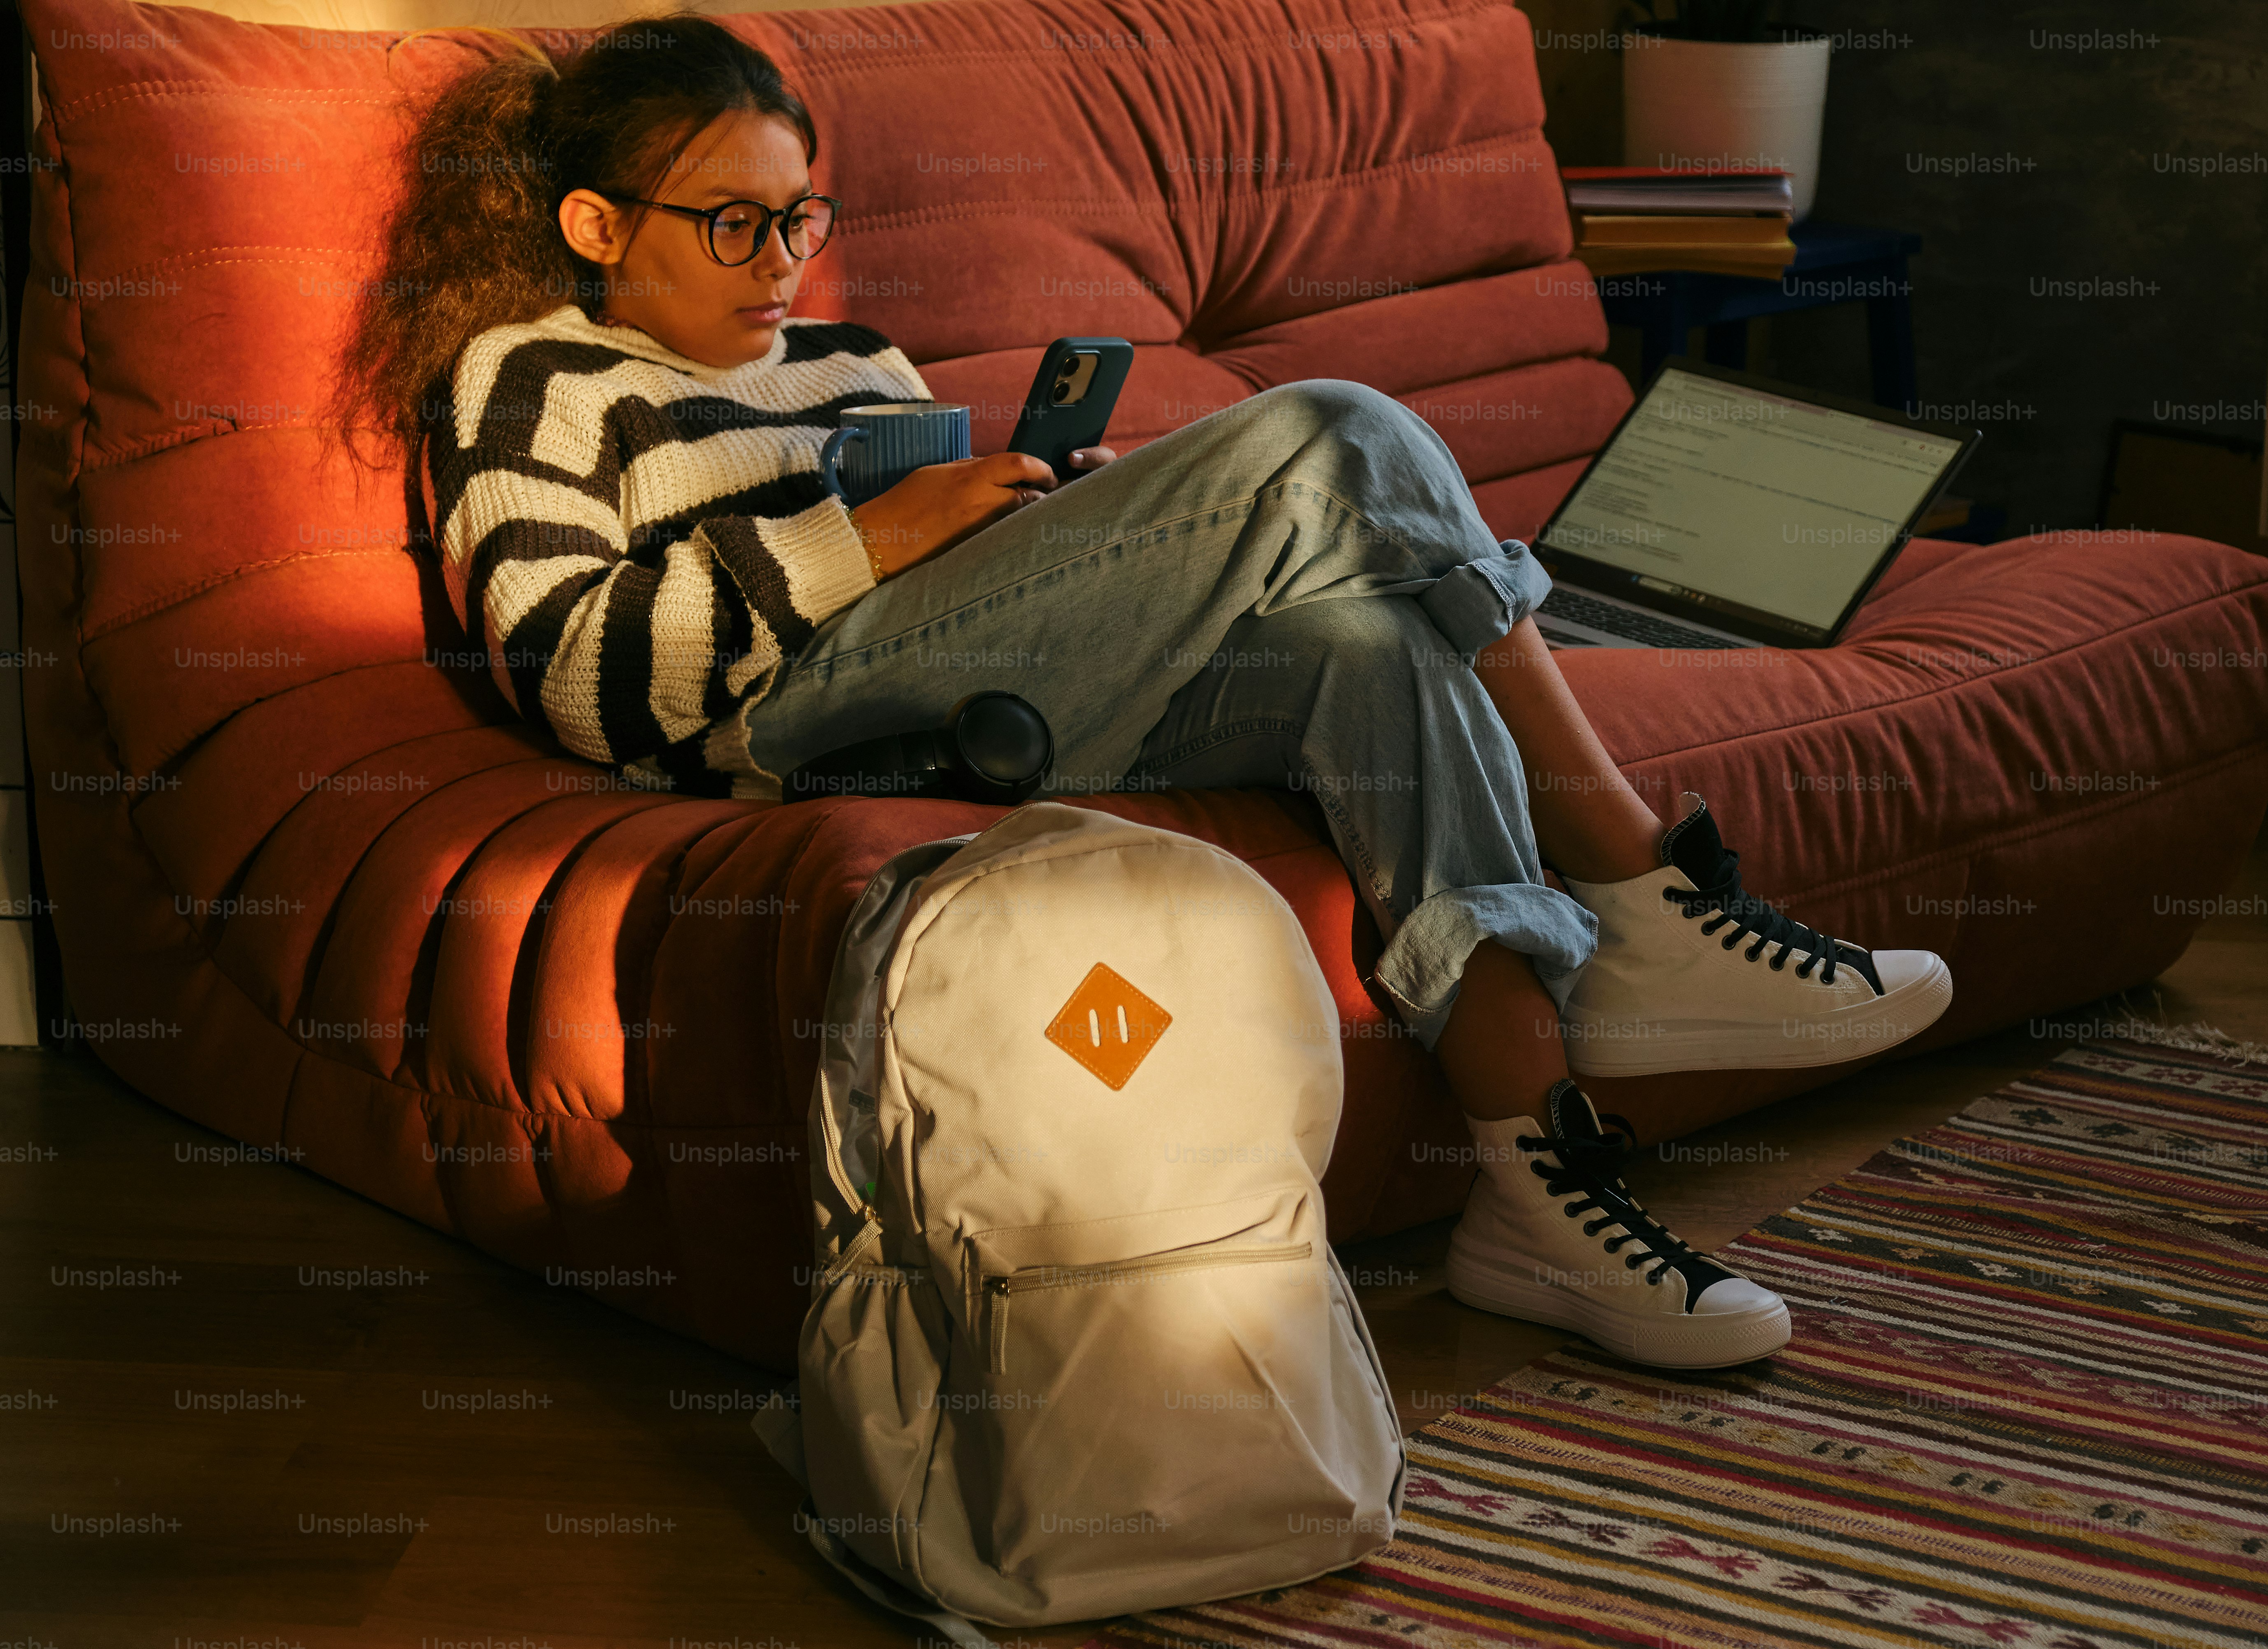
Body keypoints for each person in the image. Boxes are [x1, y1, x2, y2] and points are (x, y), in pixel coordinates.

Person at [330, 15, 1952, 1373]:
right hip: (800, 725)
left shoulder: (857, 360)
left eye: (798, 216)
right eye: (728, 223)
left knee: (1371, 644)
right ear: (598, 227)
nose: (778, 264)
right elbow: (584, 684)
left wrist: (1047, 527)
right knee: (1347, 432)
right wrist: (873, 532)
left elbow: (937, 570)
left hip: (977, 664)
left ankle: (1540, 1198)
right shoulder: (536, 379)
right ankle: (1640, 882)